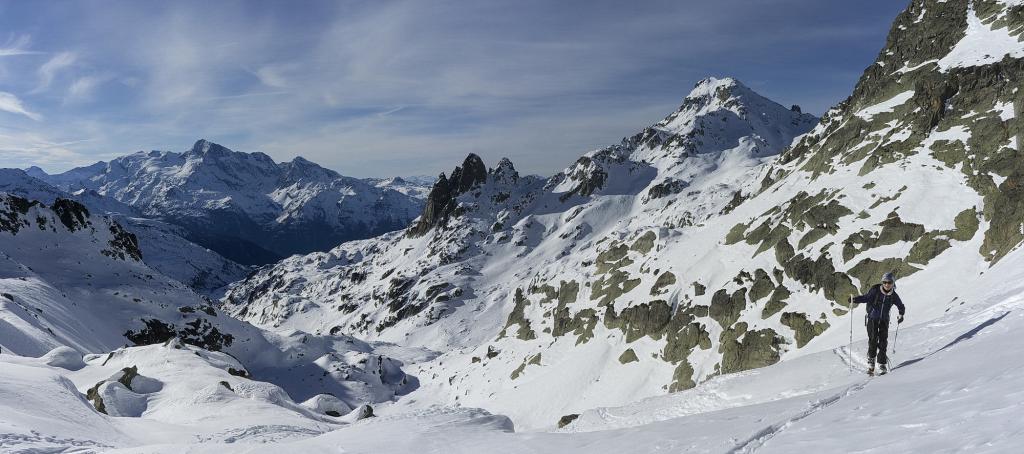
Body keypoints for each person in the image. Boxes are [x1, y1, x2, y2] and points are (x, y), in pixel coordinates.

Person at [850, 272, 905, 375]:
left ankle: (882, 364)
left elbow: (900, 305)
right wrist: (855, 299)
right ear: (882, 282)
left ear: (893, 283)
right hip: (872, 319)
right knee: (873, 339)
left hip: (884, 320)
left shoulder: (893, 295)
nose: (887, 284)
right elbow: (866, 298)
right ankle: (871, 361)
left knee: (883, 342)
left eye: (889, 282)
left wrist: (901, 315)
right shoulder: (875, 290)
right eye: (884, 282)